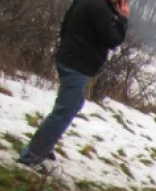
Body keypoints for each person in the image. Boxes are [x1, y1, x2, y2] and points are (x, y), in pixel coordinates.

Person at [18, 0, 131, 170]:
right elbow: (113, 39)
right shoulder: (100, 8)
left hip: (70, 57)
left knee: (73, 105)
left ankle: (43, 146)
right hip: (77, 64)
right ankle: (31, 157)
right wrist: (123, 19)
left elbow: (66, 25)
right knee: (65, 110)